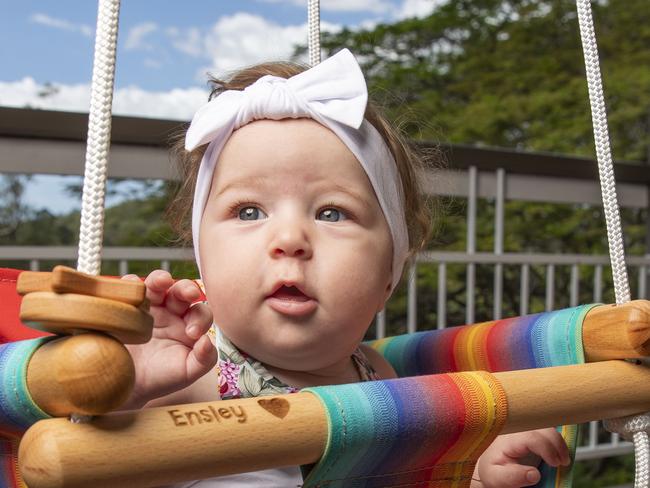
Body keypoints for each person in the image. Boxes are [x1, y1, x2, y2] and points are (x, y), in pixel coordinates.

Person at [123, 49, 569, 487]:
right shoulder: (187, 380)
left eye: (332, 213)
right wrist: (125, 391)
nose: (290, 240)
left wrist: (474, 469)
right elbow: (90, 466)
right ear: (203, 258)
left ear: (388, 274)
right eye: (248, 212)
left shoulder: (380, 378)